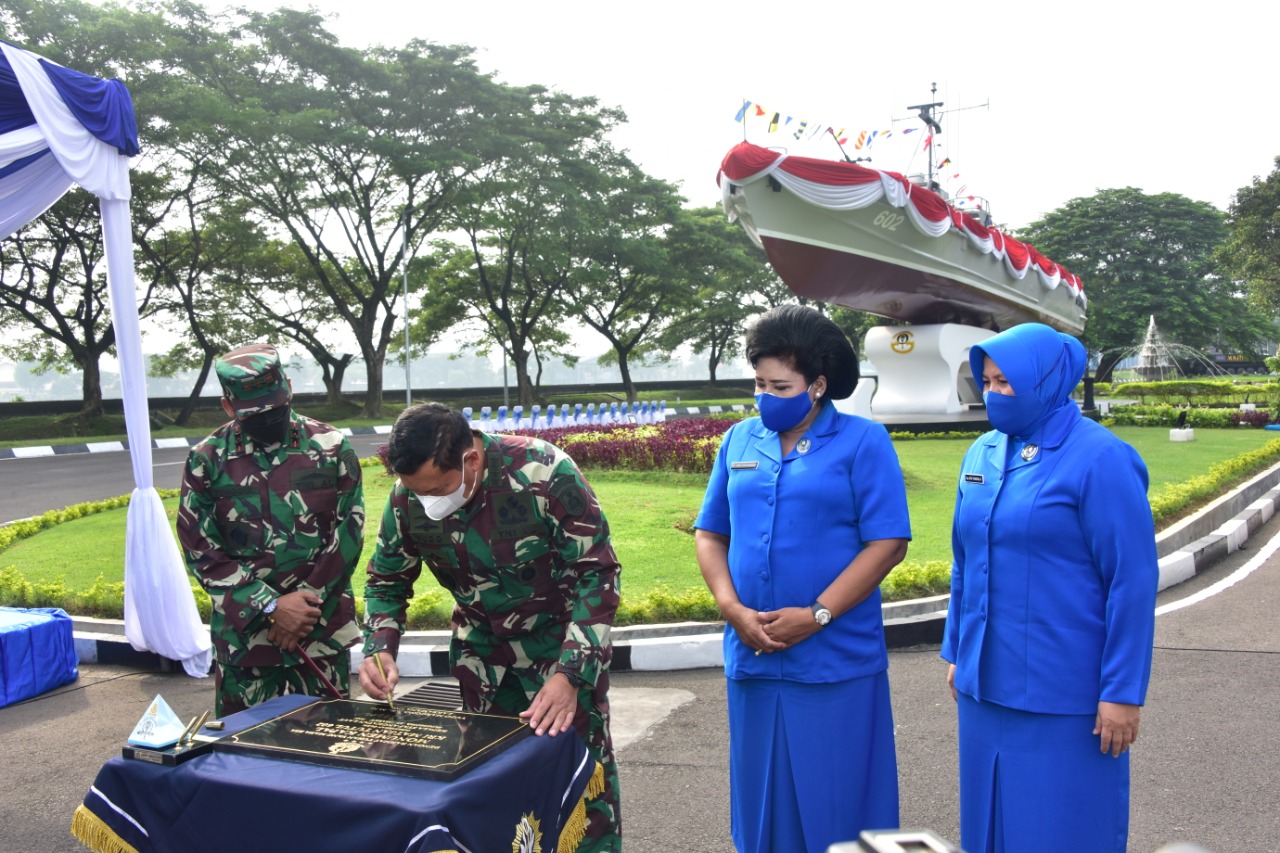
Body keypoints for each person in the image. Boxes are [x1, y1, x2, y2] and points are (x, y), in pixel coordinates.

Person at [693, 304, 911, 852]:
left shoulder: (863, 442)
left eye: (780, 385)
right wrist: (731, 608)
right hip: (755, 649)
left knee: (837, 798)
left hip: (834, 657)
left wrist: (818, 615)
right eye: (759, 383)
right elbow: (711, 533)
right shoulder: (740, 441)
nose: (765, 395)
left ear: (817, 385)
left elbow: (887, 542)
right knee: (760, 799)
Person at [358, 402, 621, 852]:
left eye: (439, 488)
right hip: (481, 670)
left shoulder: (543, 472)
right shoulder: (409, 498)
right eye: (417, 491)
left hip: (556, 660)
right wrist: (379, 646)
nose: (429, 501)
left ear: (471, 460)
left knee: (579, 796)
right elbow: (387, 578)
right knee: (494, 801)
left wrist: (571, 676)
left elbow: (596, 574)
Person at [941, 322, 1158, 853]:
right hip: (984, 687)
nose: (994, 395)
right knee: (989, 825)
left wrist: (1122, 693)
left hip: (1064, 694)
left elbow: (1131, 581)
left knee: (1059, 827)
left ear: (1047, 380)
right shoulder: (982, 454)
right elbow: (964, 561)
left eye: (1006, 383)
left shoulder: (1100, 457)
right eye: (987, 382)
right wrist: (958, 651)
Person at [177, 343, 365, 716]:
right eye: (253, 413)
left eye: (275, 409)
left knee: (330, 754)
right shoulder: (207, 460)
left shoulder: (331, 448)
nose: (266, 419)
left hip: (319, 635)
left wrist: (303, 608)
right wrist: (270, 606)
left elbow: (349, 532)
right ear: (228, 406)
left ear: (289, 389)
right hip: (247, 644)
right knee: (244, 757)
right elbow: (200, 546)